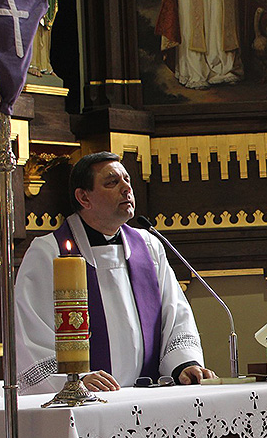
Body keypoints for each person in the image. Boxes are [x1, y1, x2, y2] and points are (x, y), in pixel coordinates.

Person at [15, 151, 215, 394]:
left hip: (148, 396)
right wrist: (76, 380)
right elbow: (32, 333)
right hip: (87, 403)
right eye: (112, 182)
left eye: (127, 180)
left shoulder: (149, 246)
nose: (126, 189)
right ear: (84, 197)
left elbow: (175, 316)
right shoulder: (49, 252)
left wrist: (184, 364)